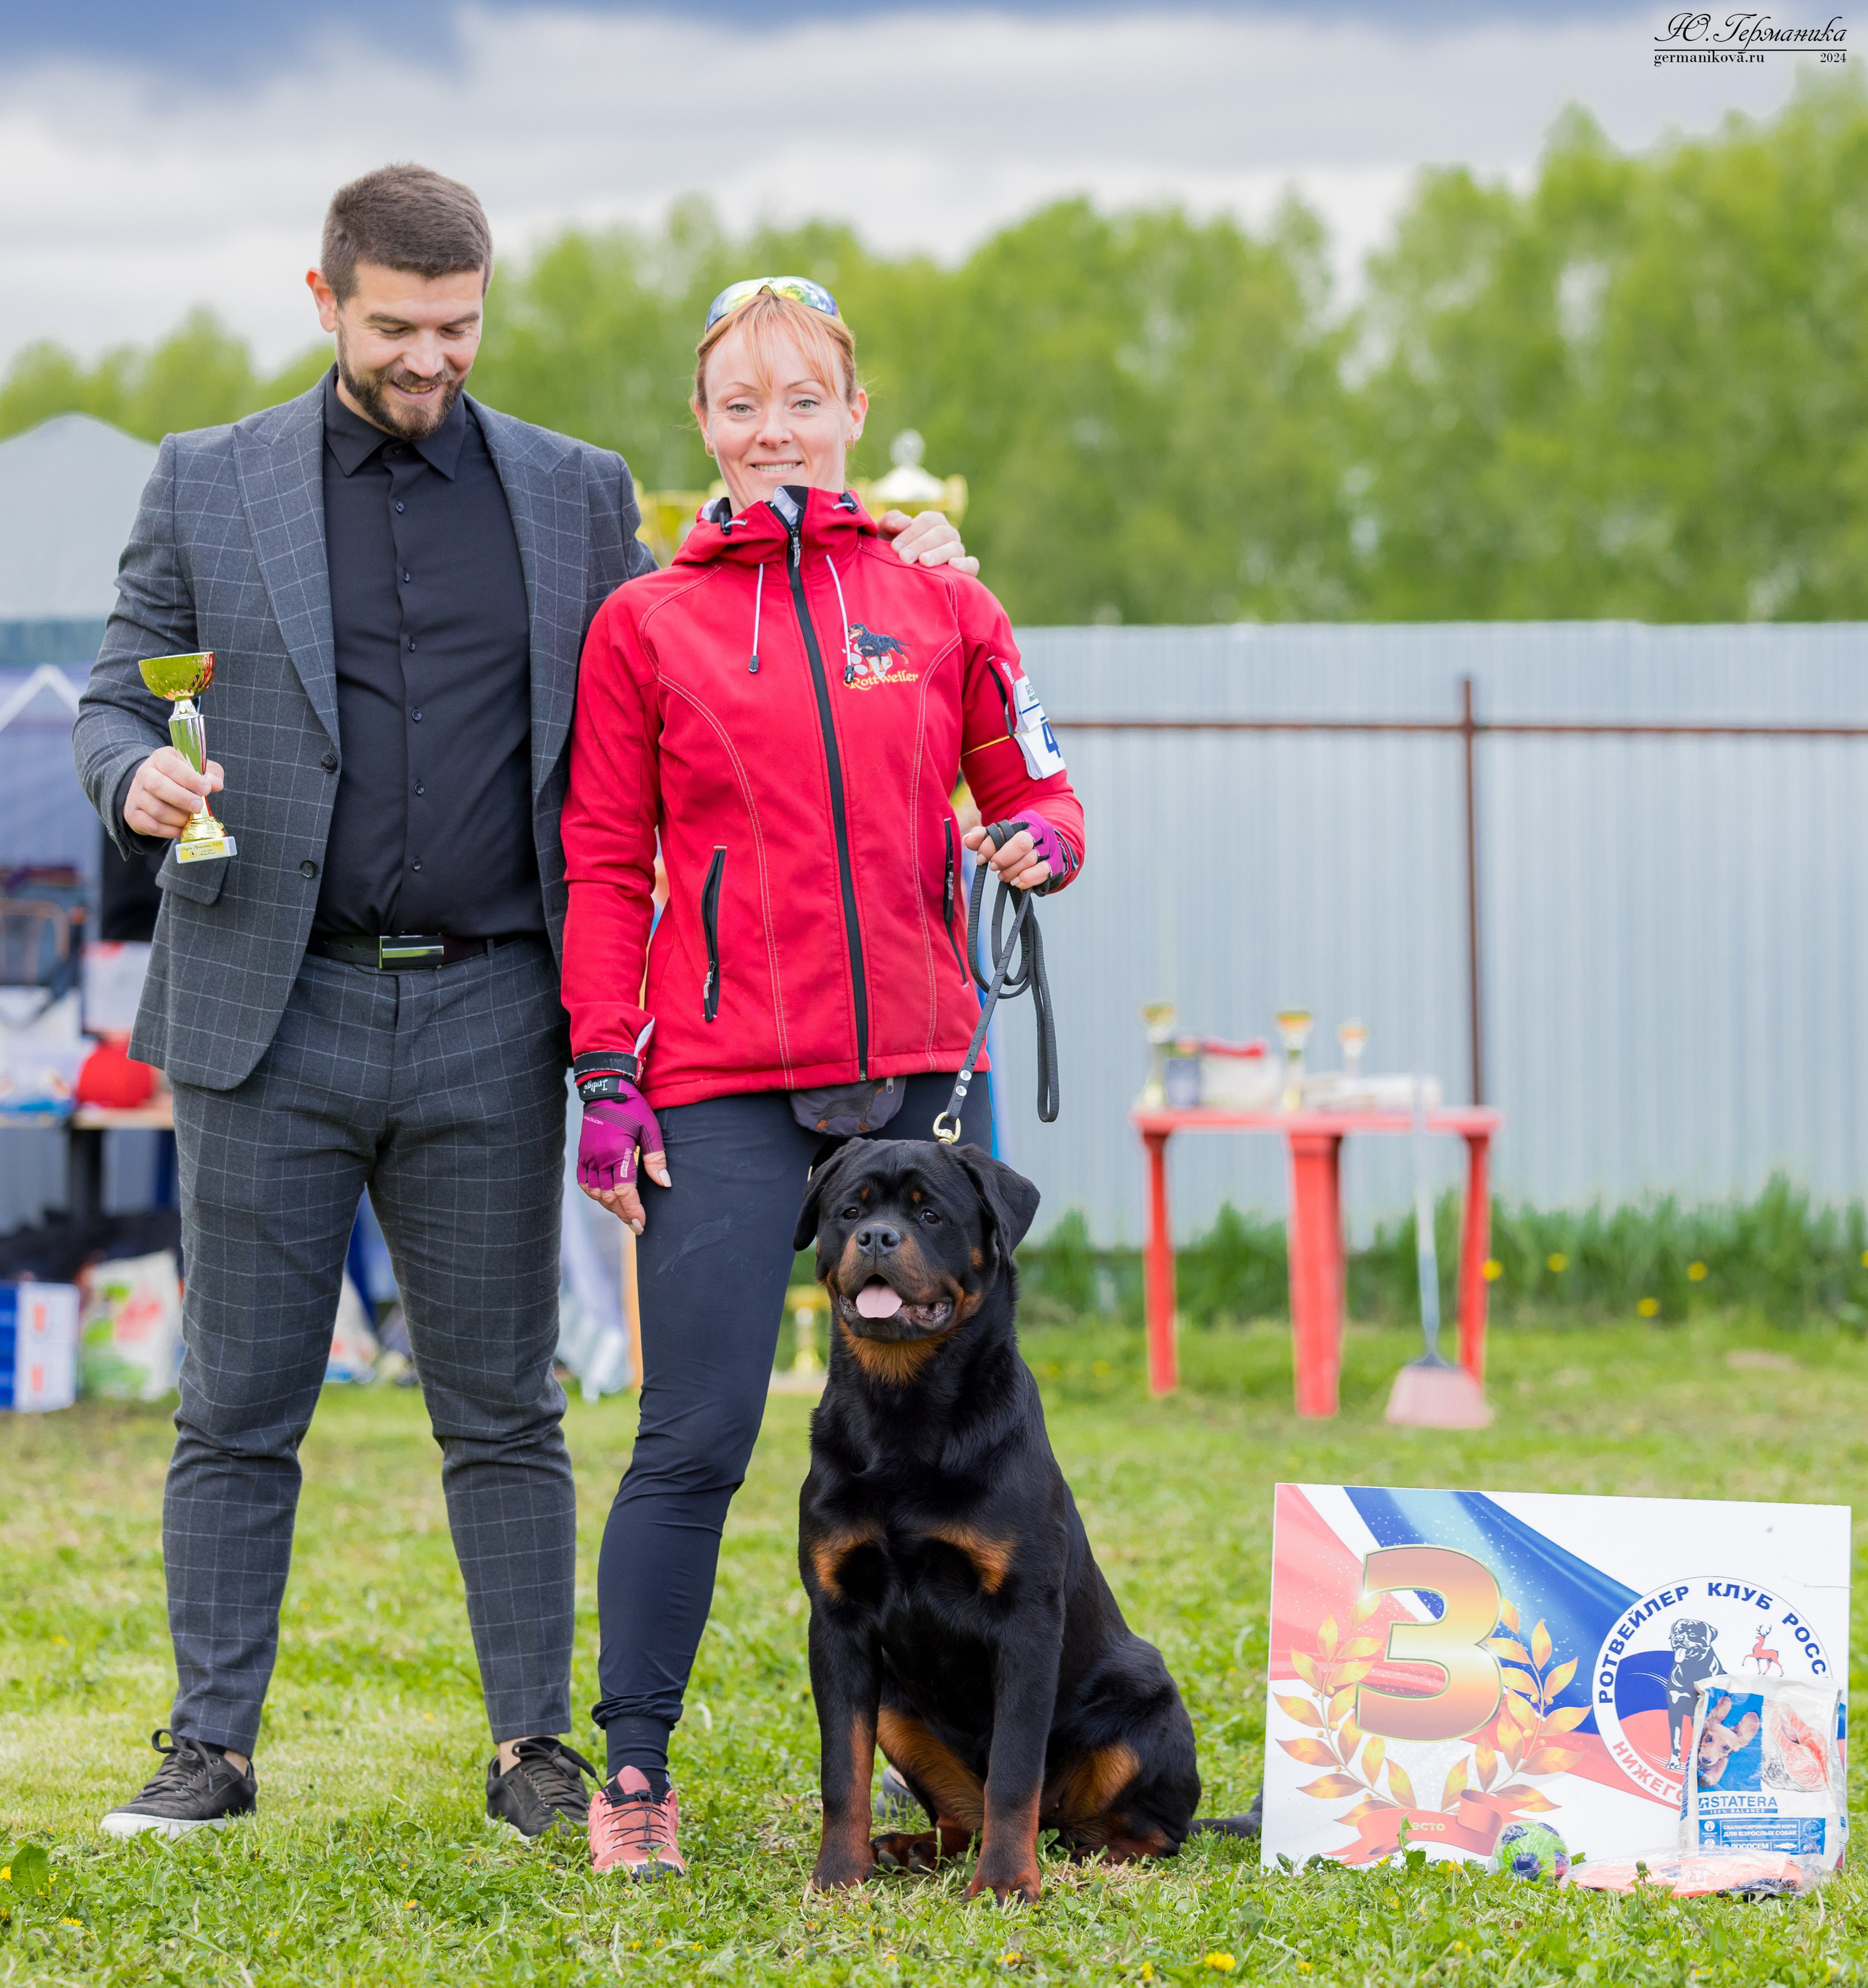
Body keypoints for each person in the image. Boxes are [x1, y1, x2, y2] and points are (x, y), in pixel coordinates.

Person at [72, 169, 972, 1843]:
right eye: (399, 329)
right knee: (235, 1403)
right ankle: (208, 1746)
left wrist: (904, 547)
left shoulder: (574, 495)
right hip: (270, 1008)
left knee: (504, 1407)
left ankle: (533, 1752)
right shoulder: (207, 484)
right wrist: (129, 772)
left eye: (460, 327)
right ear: (325, 298)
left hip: (496, 1010)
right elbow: (126, 685)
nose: (432, 359)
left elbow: (735, 645)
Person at [558, 279, 1086, 1880]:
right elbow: (598, 858)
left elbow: (1035, 787)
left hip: (920, 1077)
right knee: (695, 1434)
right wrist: (603, 1071)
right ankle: (634, 1769)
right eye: (739, 403)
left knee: (971, 1447)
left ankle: (974, 1775)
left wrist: (1040, 843)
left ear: (853, 410)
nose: (771, 427)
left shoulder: (940, 601)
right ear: (701, 428)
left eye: (802, 398)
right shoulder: (644, 621)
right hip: (717, 1085)